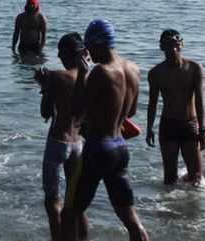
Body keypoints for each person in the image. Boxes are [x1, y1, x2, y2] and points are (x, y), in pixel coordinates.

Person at [59, 19, 149, 241]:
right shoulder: (134, 69)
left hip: (98, 149)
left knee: (69, 213)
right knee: (129, 215)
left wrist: (81, 73)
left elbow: (75, 110)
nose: (88, 52)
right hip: (120, 149)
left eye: (90, 47)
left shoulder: (101, 72)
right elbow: (132, 111)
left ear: (100, 43)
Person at [36, 33, 89, 241]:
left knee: (53, 202)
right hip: (78, 144)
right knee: (77, 204)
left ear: (64, 55)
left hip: (58, 143)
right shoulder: (90, 78)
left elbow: (46, 112)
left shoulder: (58, 77)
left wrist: (44, 85)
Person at [146, 29, 205, 185]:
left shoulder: (195, 68)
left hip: (190, 124)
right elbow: (152, 103)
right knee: (169, 178)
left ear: (182, 45)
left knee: (197, 179)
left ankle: (192, 207)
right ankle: (167, 208)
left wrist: (203, 130)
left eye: (176, 45)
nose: (173, 49)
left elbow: (200, 102)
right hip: (168, 125)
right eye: (169, 46)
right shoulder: (155, 73)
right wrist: (149, 129)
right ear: (161, 48)